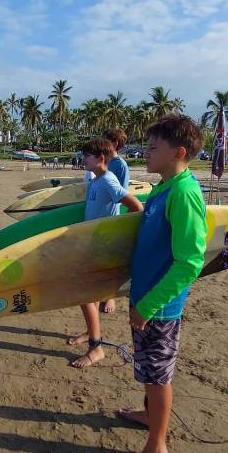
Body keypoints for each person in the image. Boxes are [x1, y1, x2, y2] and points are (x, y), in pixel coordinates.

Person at [115, 114, 206, 453]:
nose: (146, 153)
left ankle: (157, 448)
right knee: (148, 371)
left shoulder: (183, 192)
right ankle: (149, 415)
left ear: (178, 152)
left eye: (153, 148)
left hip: (160, 307)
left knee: (157, 377)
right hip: (145, 298)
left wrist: (149, 305)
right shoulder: (163, 188)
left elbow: (190, 261)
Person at [68, 138, 143, 369]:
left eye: (87, 156)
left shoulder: (109, 181)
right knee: (88, 295)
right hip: (93, 245)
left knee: (84, 295)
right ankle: (91, 332)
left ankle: (96, 347)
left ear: (101, 158)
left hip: (103, 247)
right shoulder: (96, 181)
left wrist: (117, 233)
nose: (83, 159)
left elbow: (136, 206)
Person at [99, 128, 130, 314]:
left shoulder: (120, 165)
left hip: (111, 214)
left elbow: (123, 193)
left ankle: (110, 296)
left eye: (106, 140)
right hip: (99, 214)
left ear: (115, 143)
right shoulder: (106, 161)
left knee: (111, 259)